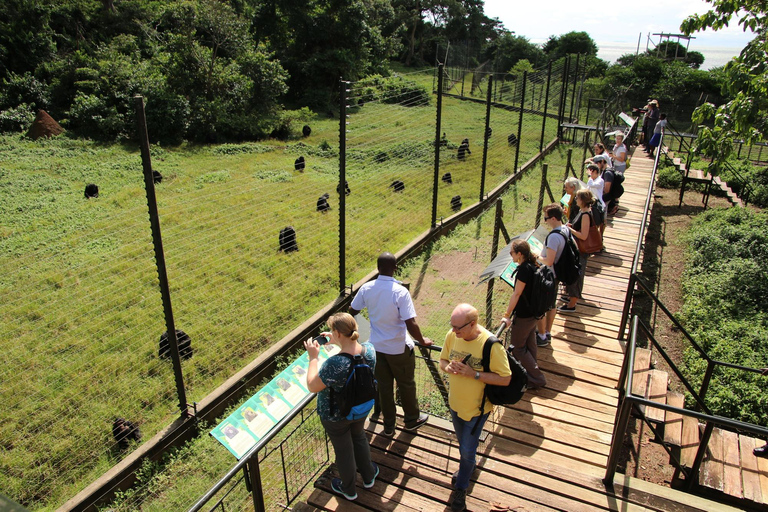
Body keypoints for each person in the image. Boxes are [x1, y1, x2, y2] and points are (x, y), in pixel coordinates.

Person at [349, 252, 433, 436]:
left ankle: (388, 426)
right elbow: (411, 322)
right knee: (406, 384)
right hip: (398, 348)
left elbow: (352, 310)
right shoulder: (400, 291)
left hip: (376, 348)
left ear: (378, 268)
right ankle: (411, 420)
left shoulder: (366, 288)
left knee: (384, 388)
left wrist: (365, 330)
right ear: (395, 268)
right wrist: (422, 340)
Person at [440, 303, 511, 512]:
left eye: (458, 327)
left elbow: (506, 378)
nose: (453, 331)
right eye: (452, 326)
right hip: (455, 405)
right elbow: (442, 360)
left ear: (472, 324)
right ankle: (465, 469)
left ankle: (461, 489)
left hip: (476, 411)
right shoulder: (453, 336)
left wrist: (474, 374)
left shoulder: (491, 345)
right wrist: (449, 367)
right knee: (464, 447)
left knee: (468, 451)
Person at [304, 313, 378, 501]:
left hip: (336, 416)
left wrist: (313, 358)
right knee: (359, 437)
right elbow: (353, 347)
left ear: (337, 333)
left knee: (344, 451)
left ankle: (349, 490)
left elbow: (313, 385)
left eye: (332, 331)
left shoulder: (335, 363)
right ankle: (369, 477)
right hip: (361, 409)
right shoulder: (369, 350)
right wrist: (336, 340)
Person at [499, 240, 548, 389]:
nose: (511, 255)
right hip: (534, 313)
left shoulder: (523, 270)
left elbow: (517, 294)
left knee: (517, 347)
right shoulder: (534, 265)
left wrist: (507, 314)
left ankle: (537, 378)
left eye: (512, 253)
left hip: (524, 315)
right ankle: (531, 372)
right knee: (530, 342)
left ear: (519, 254)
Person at [536, 204, 571, 347]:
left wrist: (536, 256)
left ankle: (542, 335)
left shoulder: (554, 237)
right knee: (551, 305)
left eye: (546, 218)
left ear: (554, 218)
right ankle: (547, 331)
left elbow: (548, 261)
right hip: (557, 275)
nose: (545, 221)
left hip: (549, 275)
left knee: (542, 306)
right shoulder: (565, 229)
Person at [559, 189, 595, 314]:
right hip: (576, 248)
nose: (576, 200)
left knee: (576, 274)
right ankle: (571, 296)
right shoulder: (582, 211)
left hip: (581, 250)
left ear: (582, 200)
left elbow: (583, 236)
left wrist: (570, 230)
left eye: (577, 198)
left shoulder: (585, 215)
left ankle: (572, 303)